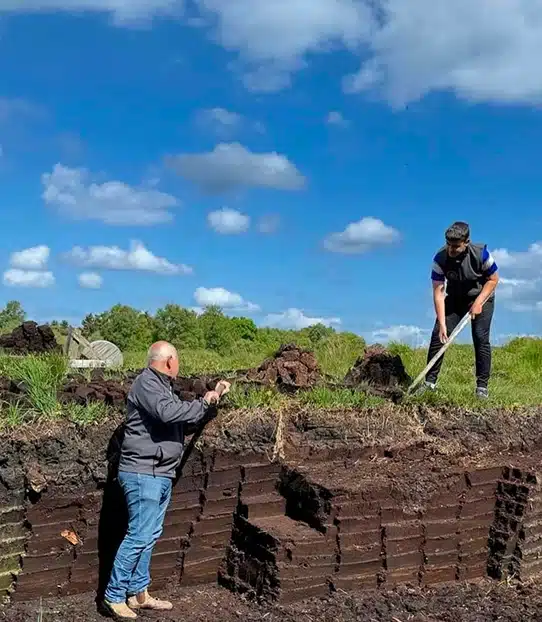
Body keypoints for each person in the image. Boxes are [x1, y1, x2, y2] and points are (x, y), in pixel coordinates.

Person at [103, 341, 230, 620]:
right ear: (170, 361)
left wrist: (209, 403)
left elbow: (182, 421)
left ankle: (139, 594)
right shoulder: (146, 383)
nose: (179, 366)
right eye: (178, 361)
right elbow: (169, 413)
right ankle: (113, 596)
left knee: (149, 536)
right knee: (138, 535)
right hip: (143, 473)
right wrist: (204, 401)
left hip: (159, 472)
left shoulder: (163, 388)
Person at [423, 221, 499, 398]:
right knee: (438, 335)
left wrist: (478, 302)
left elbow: (493, 280)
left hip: (481, 297)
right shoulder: (440, 258)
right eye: (449, 245)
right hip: (455, 298)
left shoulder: (481, 254)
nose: (451, 249)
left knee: (480, 337)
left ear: (466, 242)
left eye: (456, 246)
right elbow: (438, 292)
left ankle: (482, 388)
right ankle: (429, 384)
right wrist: (442, 323)